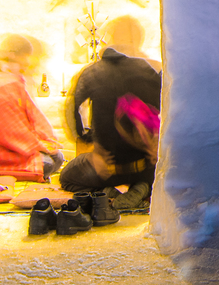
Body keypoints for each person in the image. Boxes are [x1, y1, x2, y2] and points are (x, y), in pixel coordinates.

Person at [59, 15, 163, 203]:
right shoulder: (152, 68)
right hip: (147, 165)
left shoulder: (92, 71)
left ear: (111, 38)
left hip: (105, 168)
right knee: (162, 171)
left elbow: (72, 110)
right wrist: (159, 146)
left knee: (66, 176)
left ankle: (106, 191)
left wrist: (89, 143)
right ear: (139, 38)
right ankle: (143, 187)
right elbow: (171, 110)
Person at [0, 34, 64, 183]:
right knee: (46, 163)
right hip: (4, 150)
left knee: (58, 157)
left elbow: (34, 117)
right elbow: (9, 131)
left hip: (23, 145)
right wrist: (39, 145)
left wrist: (47, 140)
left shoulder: (15, 82)